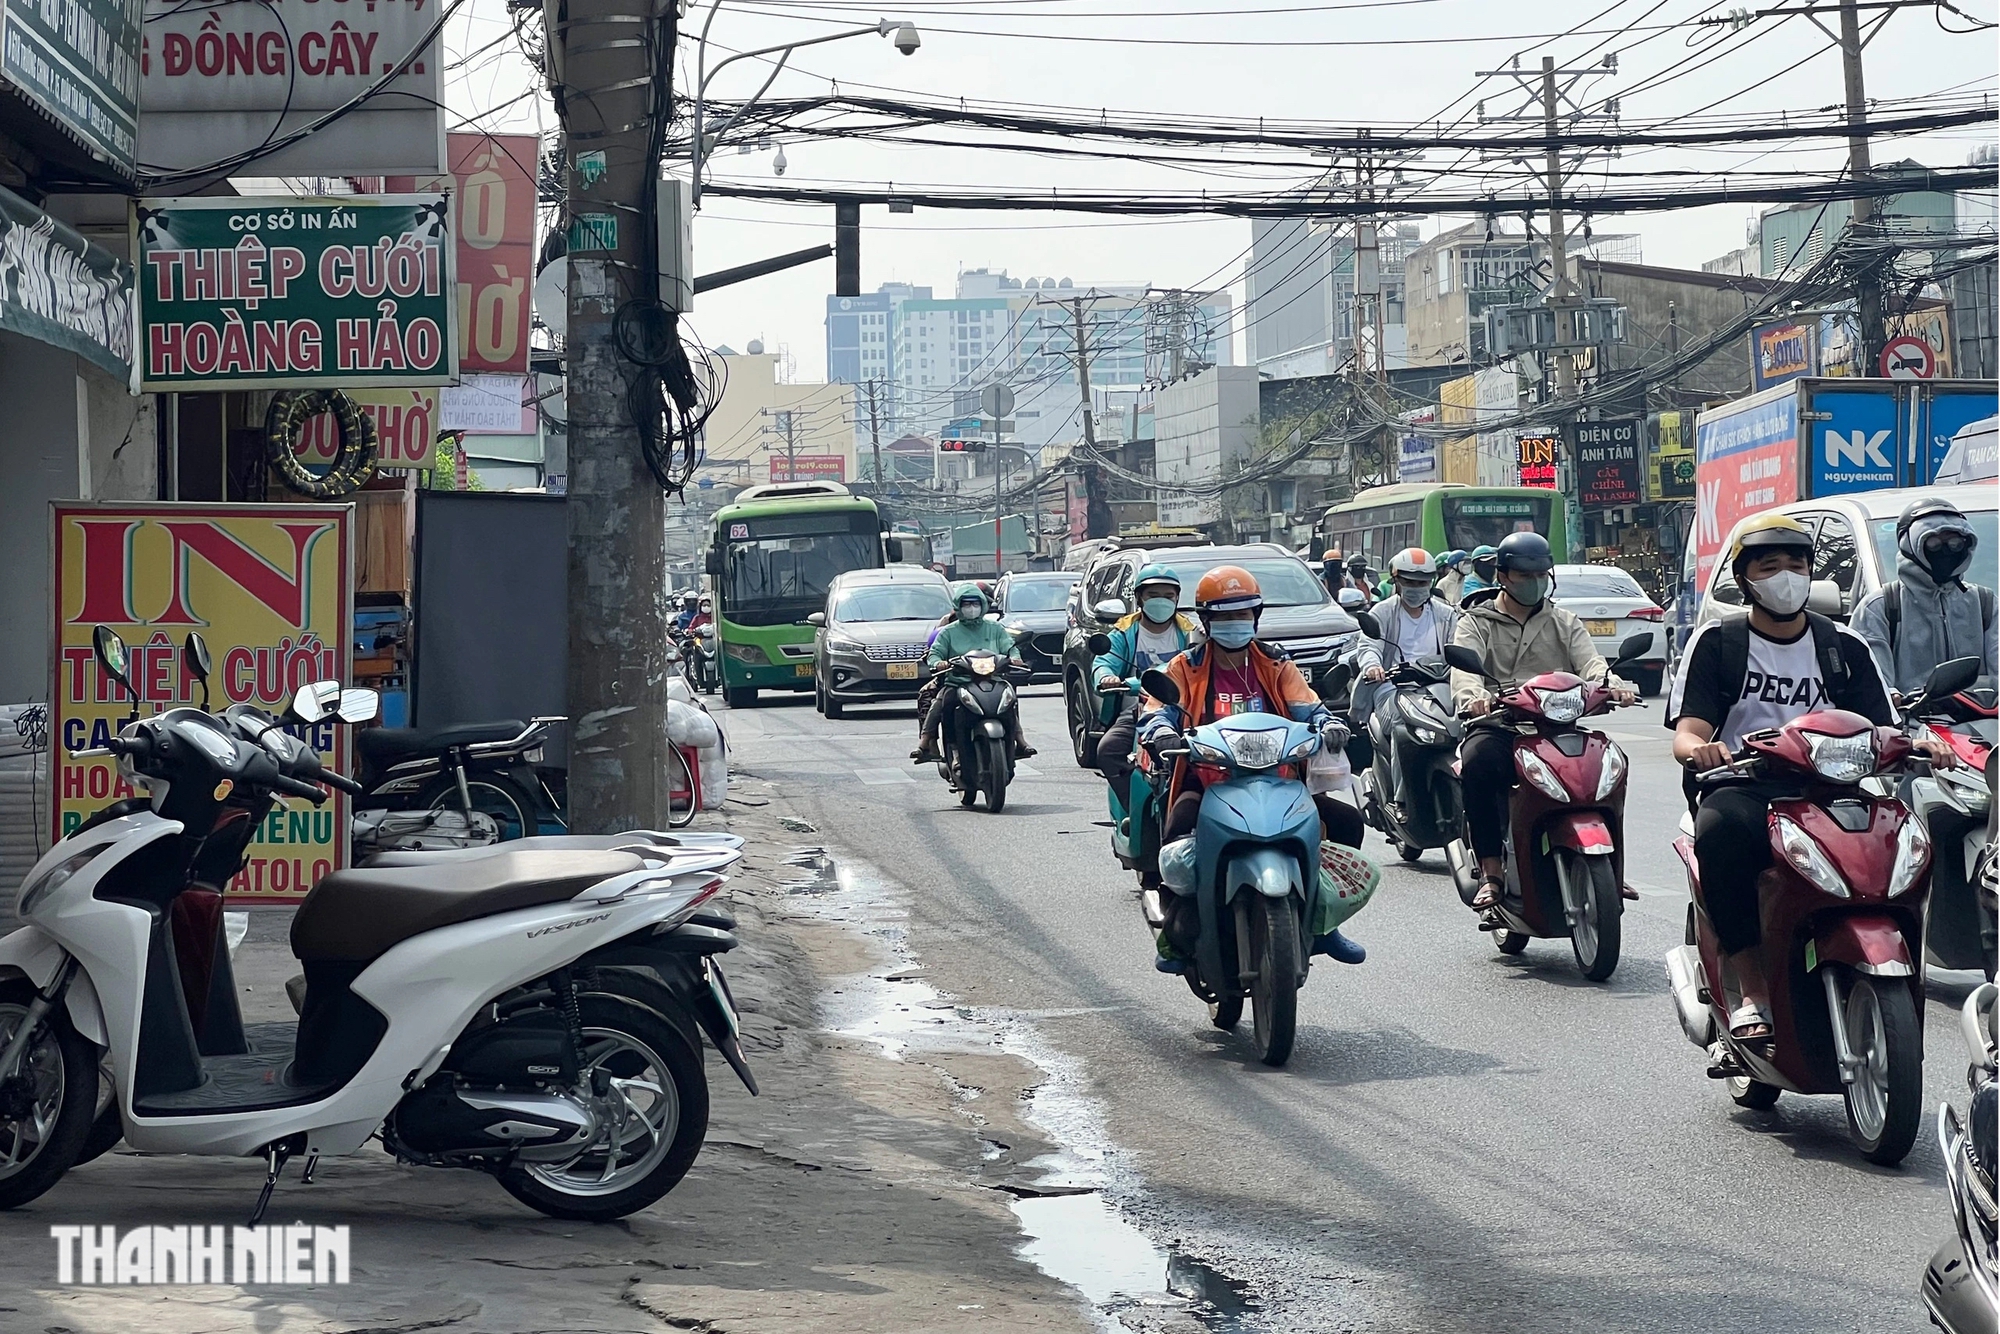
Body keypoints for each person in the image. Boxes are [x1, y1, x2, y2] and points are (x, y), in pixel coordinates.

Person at [1667, 514, 1944, 1045]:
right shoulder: (1717, 643)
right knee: (1722, 834)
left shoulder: (1843, 645)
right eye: (1770, 566)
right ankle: (1752, 987)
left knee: (1902, 839)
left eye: (1796, 564)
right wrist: (1702, 751)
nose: (1786, 576)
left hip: (1836, 786)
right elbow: (1688, 732)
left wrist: (1920, 744)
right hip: (1746, 784)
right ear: (1745, 579)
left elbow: (1885, 728)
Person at [1138, 566, 1367, 967]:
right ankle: (1176, 934)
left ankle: (1323, 923)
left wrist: (1329, 723)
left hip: (1278, 779)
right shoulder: (1184, 667)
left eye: (1243, 615)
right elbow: (1159, 710)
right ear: (1207, 622)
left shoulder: (1276, 664)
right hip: (1208, 780)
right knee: (1176, 831)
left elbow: (1307, 705)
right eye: (1224, 617)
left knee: (1346, 823)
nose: (1235, 624)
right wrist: (1161, 732)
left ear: (1256, 618)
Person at [1450, 532, 1638, 913]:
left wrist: (1612, 687)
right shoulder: (1476, 622)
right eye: (1524, 575)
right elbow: (1465, 674)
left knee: (1607, 764)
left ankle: (1611, 867)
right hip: (1502, 724)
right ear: (1502, 576)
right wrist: (1474, 699)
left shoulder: (1564, 621)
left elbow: (1592, 665)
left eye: (1541, 574)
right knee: (1479, 762)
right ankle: (1491, 871)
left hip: (1558, 725)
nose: (1535, 581)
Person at [1852, 496, 1996, 701]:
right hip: (1909, 726)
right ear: (1910, 546)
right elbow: (1872, 682)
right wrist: (1895, 698)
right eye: (1933, 542)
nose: (1946, 550)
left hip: (1981, 723)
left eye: (1955, 543)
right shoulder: (1880, 607)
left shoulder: (1985, 603)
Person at [1355, 549, 1459, 817]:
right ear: (1396, 580)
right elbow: (1369, 646)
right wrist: (1373, 667)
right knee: (1404, 727)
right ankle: (1401, 801)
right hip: (1393, 689)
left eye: (1422, 582)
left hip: (1437, 687)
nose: (1416, 588)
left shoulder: (1446, 615)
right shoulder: (1383, 612)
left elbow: (1459, 647)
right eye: (1410, 582)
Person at [1092, 564, 1198, 795]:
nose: (1161, 601)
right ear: (1139, 598)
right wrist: (1107, 677)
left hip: (1185, 709)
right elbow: (1103, 662)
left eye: (1168, 596)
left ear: (1178, 598)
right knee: (1108, 751)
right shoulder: (1124, 631)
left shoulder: (1192, 632)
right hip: (1139, 710)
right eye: (1153, 595)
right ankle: (1133, 811)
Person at [913, 583, 1035, 762]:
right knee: (942, 702)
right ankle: (925, 742)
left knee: (1009, 701)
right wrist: (938, 663)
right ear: (958, 606)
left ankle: (1019, 740)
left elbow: (1010, 647)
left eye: (975, 604)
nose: (971, 608)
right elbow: (935, 653)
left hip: (992, 680)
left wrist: (1015, 658)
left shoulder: (995, 629)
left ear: (983, 605)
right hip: (958, 681)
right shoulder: (948, 632)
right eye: (966, 604)